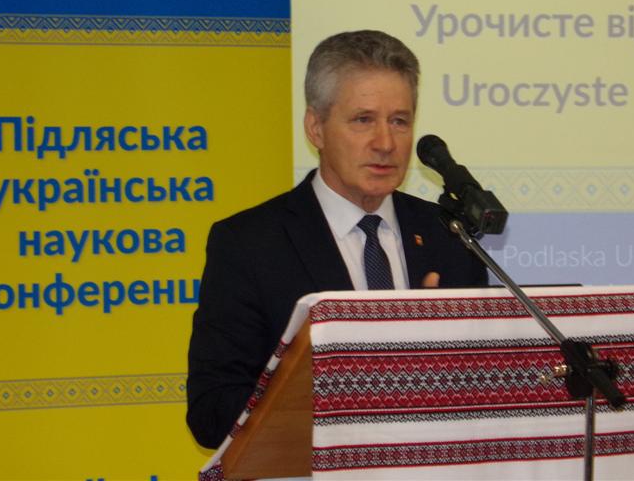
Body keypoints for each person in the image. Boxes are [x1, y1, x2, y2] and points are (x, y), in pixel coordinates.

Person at [186, 30, 488, 449]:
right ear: (316, 128)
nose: (385, 143)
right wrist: (347, 394)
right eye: (363, 120)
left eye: (399, 121)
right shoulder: (250, 244)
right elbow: (211, 412)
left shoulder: (448, 236)